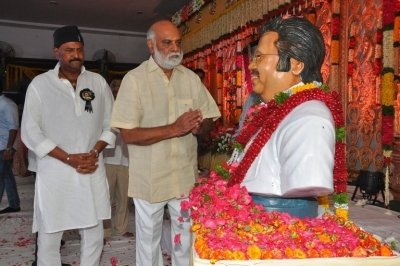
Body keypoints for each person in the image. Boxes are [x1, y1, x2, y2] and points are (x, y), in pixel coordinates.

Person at [111, 20, 220, 266]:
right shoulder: (135, 80)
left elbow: (210, 118)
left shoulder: (191, 78)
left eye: (178, 42)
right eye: (167, 42)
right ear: (151, 46)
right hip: (151, 177)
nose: (175, 48)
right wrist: (173, 129)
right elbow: (127, 134)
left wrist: (198, 127)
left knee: (184, 240)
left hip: (183, 176)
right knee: (148, 242)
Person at [21, 25, 115, 265]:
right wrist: (68, 158)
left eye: (80, 49)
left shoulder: (98, 83)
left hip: (91, 168)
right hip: (55, 171)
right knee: (50, 233)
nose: (76, 55)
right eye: (69, 49)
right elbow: (31, 132)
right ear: (56, 52)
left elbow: (111, 125)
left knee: (93, 231)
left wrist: (93, 153)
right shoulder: (40, 85)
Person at [230, 16, 335, 218]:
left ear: (295, 65)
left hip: (280, 224)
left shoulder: (309, 120)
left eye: (260, 57)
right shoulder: (270, 111)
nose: (251, 66)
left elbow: (307, 180)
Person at [102, 75, 133, 243]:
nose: (117, 89)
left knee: (124, 198)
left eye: (121, 86)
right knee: (105, 198)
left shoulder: (132, 106)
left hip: (127, 159)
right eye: (114, 85)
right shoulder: (105, 107)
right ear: (110, 88)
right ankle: (105, 232)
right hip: (108, 159)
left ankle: (121, 229)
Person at [0, 81, 21, 214]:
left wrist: (8, 149)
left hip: (5, 146)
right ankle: (14, 204)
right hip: (1, 145)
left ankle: (14, 204)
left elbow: (13, 128)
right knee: (7, 176)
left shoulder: (7, 104)